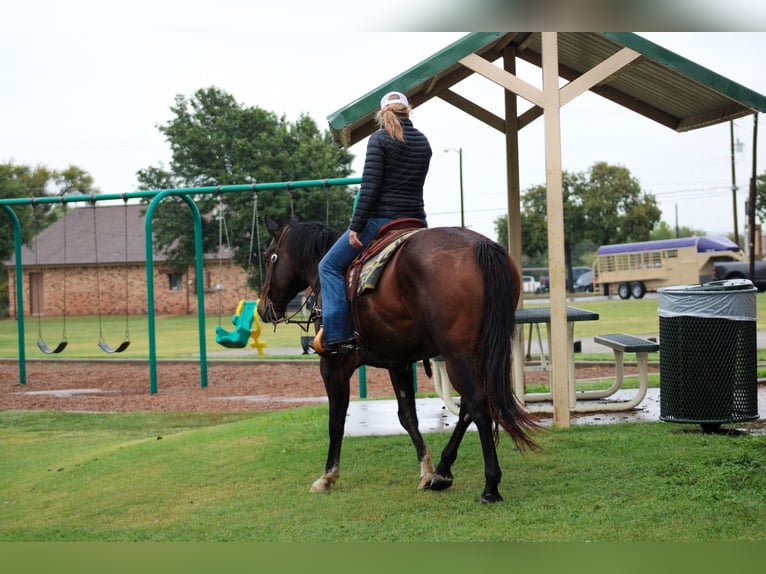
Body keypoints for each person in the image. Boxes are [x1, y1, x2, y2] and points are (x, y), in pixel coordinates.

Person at [314, 90, 432, 355]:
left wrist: (356, 225)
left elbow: (370, 188)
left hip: (381, 221)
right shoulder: (423, 142)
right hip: (416, 221)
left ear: (382, 113)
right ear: (407, 110)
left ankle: (336, 335)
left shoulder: (379, 139)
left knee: (329, 266)